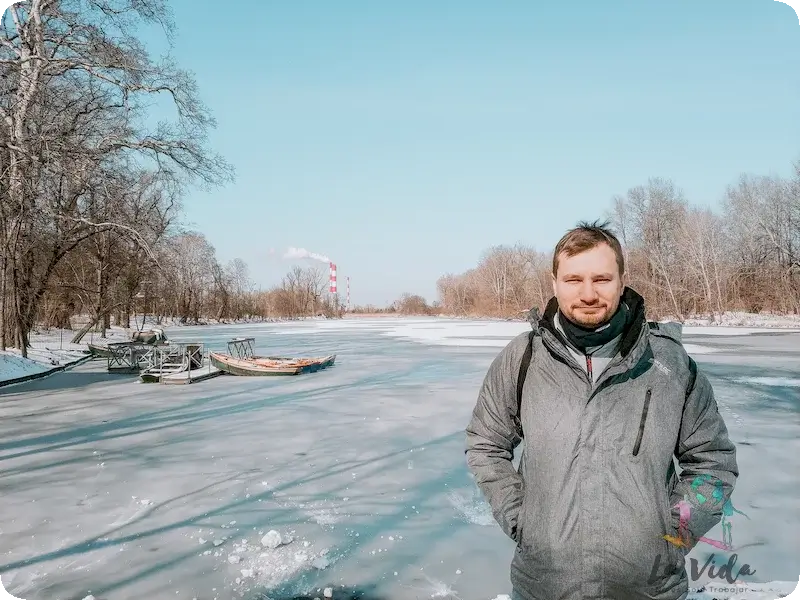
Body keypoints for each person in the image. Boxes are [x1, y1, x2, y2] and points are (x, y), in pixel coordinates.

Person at [465, 221, 739, 600]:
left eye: (602, 279)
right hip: (544, 586)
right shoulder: (522, 359)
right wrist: (522, 520)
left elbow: (713, 462)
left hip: (649, 588)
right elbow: (485, 444)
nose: (588, 293)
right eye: (574, 279)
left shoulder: (668, 363)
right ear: (555, 283)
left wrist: (675, 533)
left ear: (622, 281)